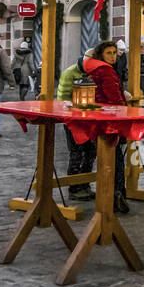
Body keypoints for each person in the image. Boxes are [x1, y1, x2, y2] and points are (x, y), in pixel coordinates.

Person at [83, 41, 133, 213]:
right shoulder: (105, 71)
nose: (113, 56)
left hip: (98, 119)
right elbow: (113, 98)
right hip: (109, 121)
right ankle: (116, 195)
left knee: (109, 158)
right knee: (115, 160)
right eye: (109, 53)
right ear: (101, 55)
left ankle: (111, 194)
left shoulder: (95, 69)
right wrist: (123, 114)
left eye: (114, 53)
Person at [57, 53, 95, 201]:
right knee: (77, 152)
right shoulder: (69, 73)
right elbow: (62, 98)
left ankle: (85, 184)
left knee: (91, 152)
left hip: (90, 119)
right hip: (73, 119)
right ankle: (74, 188)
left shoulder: (95, 72)